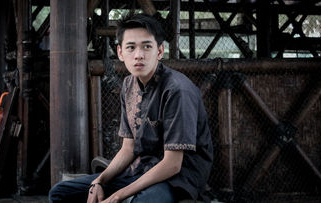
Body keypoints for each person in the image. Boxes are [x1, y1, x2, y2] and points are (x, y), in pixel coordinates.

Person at [49, 13, 213, 203]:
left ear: (160, 51)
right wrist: (99, 181)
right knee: (60, 193)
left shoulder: (177, 90)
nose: (138, 55)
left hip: (178, 178)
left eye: (147, 47)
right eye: (131, 47)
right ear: (120, 52)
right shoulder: (128, 85)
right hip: (142, 168)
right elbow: (128, 148)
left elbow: (172, 164)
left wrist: (119, 195)